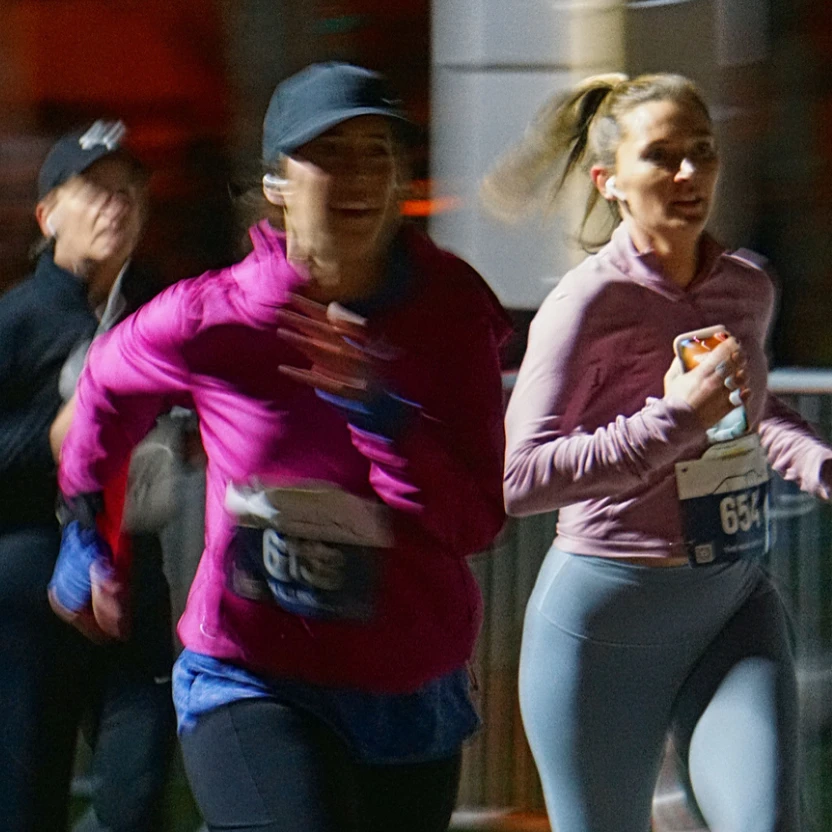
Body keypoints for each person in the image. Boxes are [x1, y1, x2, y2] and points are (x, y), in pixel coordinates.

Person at [56, 62, 510, 832]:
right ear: (277, 182)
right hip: (251, 678)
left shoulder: (452, 311)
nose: (357, 176)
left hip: (409, 690)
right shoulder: (217, 316)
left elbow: (474, 521)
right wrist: (88, 528)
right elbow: (104, 385)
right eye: (329, 154)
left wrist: (381, 413)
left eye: (376, 153)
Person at [485, 72, 832, 832]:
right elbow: (520, 477)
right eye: (662, 156)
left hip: (730, 600)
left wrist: (816, 461)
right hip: (604, 622)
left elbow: (746, 414)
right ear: (609, 181)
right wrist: (672, 420)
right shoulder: (586, 304)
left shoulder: (747, 287)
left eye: (702, 152)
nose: (687, 173)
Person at [0, 121, 175, 832]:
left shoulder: (159, 317)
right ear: (48, 216)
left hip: (135, 576)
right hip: (29, 583)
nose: (117, 203)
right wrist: (52, 437)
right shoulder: (16, 320)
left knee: (140, 795)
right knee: (26, 803)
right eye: (95, 189)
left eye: (130, 190)